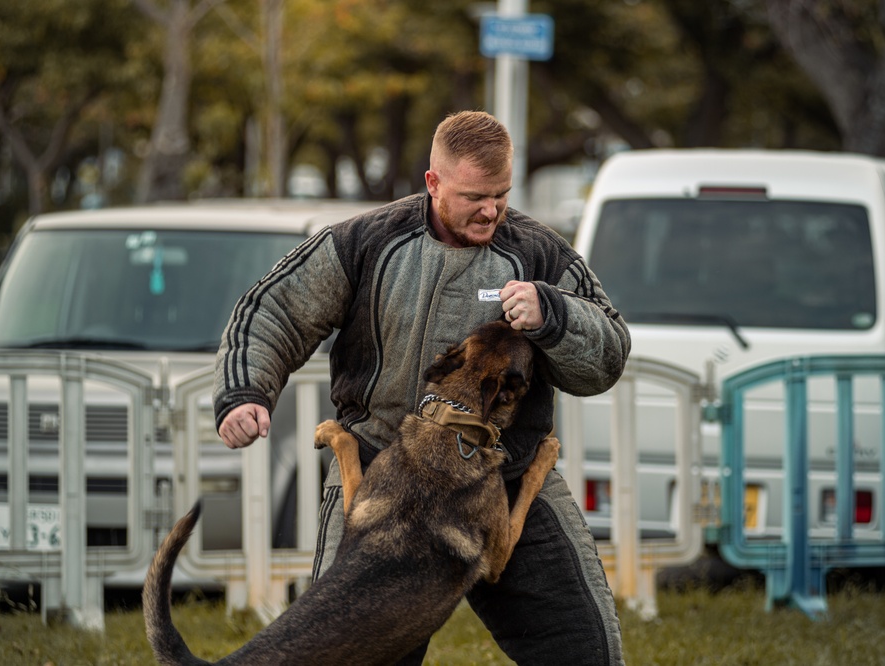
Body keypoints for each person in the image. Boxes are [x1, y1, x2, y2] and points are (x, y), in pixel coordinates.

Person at [213, 110, 630, 665]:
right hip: (380, 489)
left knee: (587, 653)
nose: (492, 210)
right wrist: (244, 392)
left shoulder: (541, 255)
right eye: (475, 196)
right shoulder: (365, 241)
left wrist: (554, 314)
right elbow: (272, 312)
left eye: (502, 194)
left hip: (502, 479)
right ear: (433, 183)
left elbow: (608, 356)